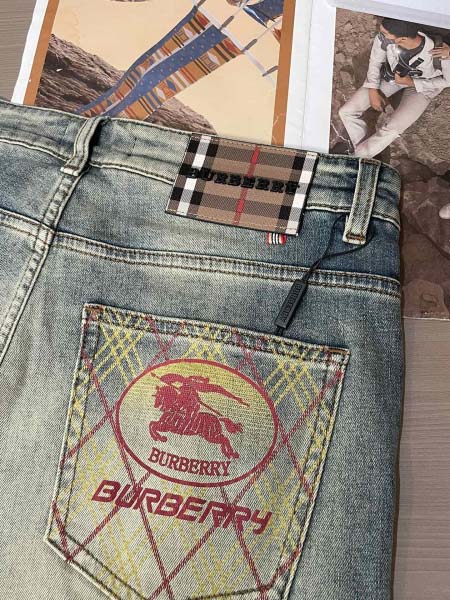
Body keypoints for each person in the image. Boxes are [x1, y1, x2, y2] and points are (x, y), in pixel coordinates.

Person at [338, 19, 450, 160]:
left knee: (393, 128)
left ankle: (358, 158)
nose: (381, 34)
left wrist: (411, 82)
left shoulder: (440, 50)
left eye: (385, 33)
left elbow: (447, 81)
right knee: (346, 111)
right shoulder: (384, 40)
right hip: (392, 79)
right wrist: (373, 89)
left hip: (423, 88)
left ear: (402, 39)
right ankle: (366, 155)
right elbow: (375, 62)